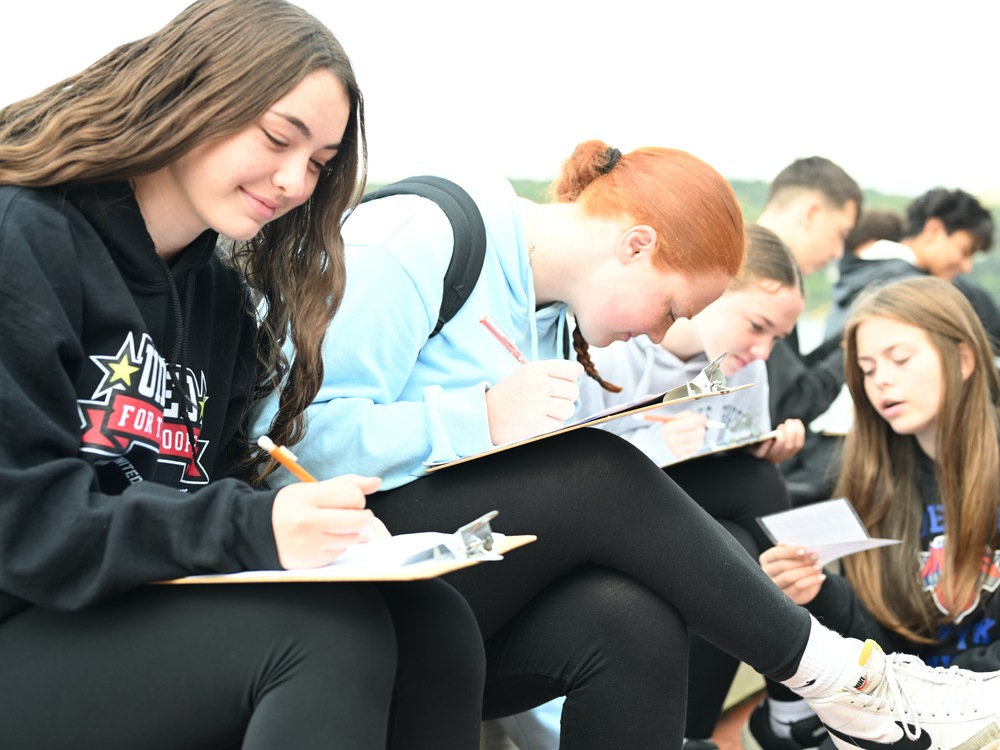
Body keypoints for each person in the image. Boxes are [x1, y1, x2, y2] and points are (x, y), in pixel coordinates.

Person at [251, 141, 1000, 750]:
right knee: (596, 467)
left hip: (444, 596)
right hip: (329, 580)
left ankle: (837, 693)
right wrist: (479, 417)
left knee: (632, 618)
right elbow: (283, 446)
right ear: (637, 245)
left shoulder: (553, 319)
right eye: (671, 308)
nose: (661, 332)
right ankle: (851, 684)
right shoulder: (422, 237)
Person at [0, 2, 487, 748]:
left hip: (119, 601)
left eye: (319, 163)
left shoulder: (219, 300)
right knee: (322, 638)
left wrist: (311, 526)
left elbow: (203, 481)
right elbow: (25, 525)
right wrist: (252, 527)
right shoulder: (24, 237)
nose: (294, 181)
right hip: (24, 608)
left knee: (433, 622)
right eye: (277, 138)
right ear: (189, 95)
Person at [574, 222, 806, 747]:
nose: (764, 350)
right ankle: (792, 689)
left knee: (742, 540)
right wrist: (656, 446)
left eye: (777, 338)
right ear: (714, 290)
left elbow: (739, 446)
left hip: (700, 519)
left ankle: (692, 734)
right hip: (612, 515)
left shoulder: (745, 366)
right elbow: (573, 464)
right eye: (757, 326)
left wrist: (762, 445)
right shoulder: (613, 346)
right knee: (757, 486)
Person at [745, 275, 1000, 750]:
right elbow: (889, 647)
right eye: (866, 368)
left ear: (964, 359)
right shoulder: (873, 481)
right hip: (916, 714)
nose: (881, 378)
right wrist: (820, 592)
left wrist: (937, 690)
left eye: (900, 359)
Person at [754, 157, 862, 504]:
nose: (838, 252)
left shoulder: (752, 268)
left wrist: (842, 343)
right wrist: (853, 353)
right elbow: (790, 405)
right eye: (841, 233)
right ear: (812, 213)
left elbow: (791, 376)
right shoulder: (758, 279)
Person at [825, 188, 998, 343]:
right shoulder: (911, 289)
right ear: (933, 230)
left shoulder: (858, 273)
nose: (967, 267)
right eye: (965, 251)